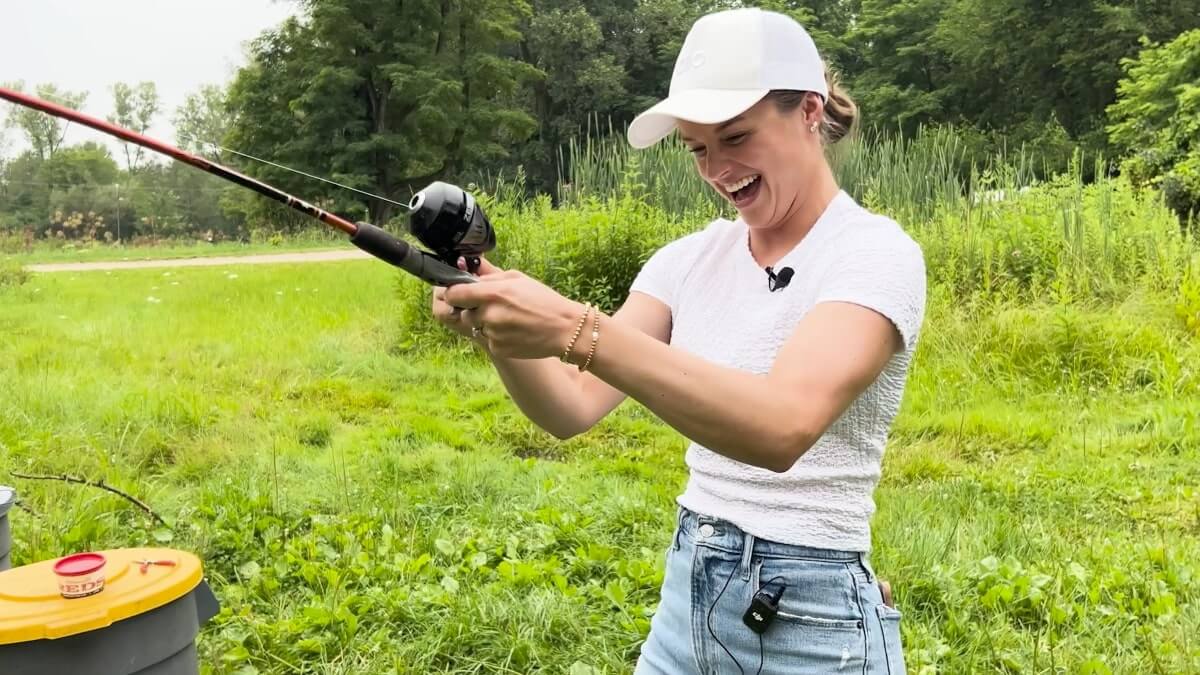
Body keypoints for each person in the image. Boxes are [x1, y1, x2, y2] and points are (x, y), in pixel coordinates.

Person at [436, 7, 925, 674]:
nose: (718, 168)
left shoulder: (874, 254)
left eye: (735, 137)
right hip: (686, 596)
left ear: (810, 112)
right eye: (697, 147)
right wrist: (497, 325)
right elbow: (569, 407)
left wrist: (572, 327)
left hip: (812, 618)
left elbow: (781, 426)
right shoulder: (687, 260)